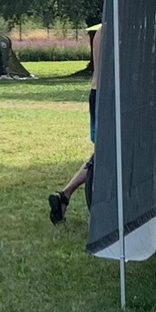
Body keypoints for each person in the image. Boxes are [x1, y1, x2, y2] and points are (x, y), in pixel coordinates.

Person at [48, 33, 96, 224]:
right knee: (103, 156)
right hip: (107, 96)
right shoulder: (114, 31)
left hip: (97, 93)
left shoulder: (103, 31)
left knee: (101, 153)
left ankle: (64, 196)